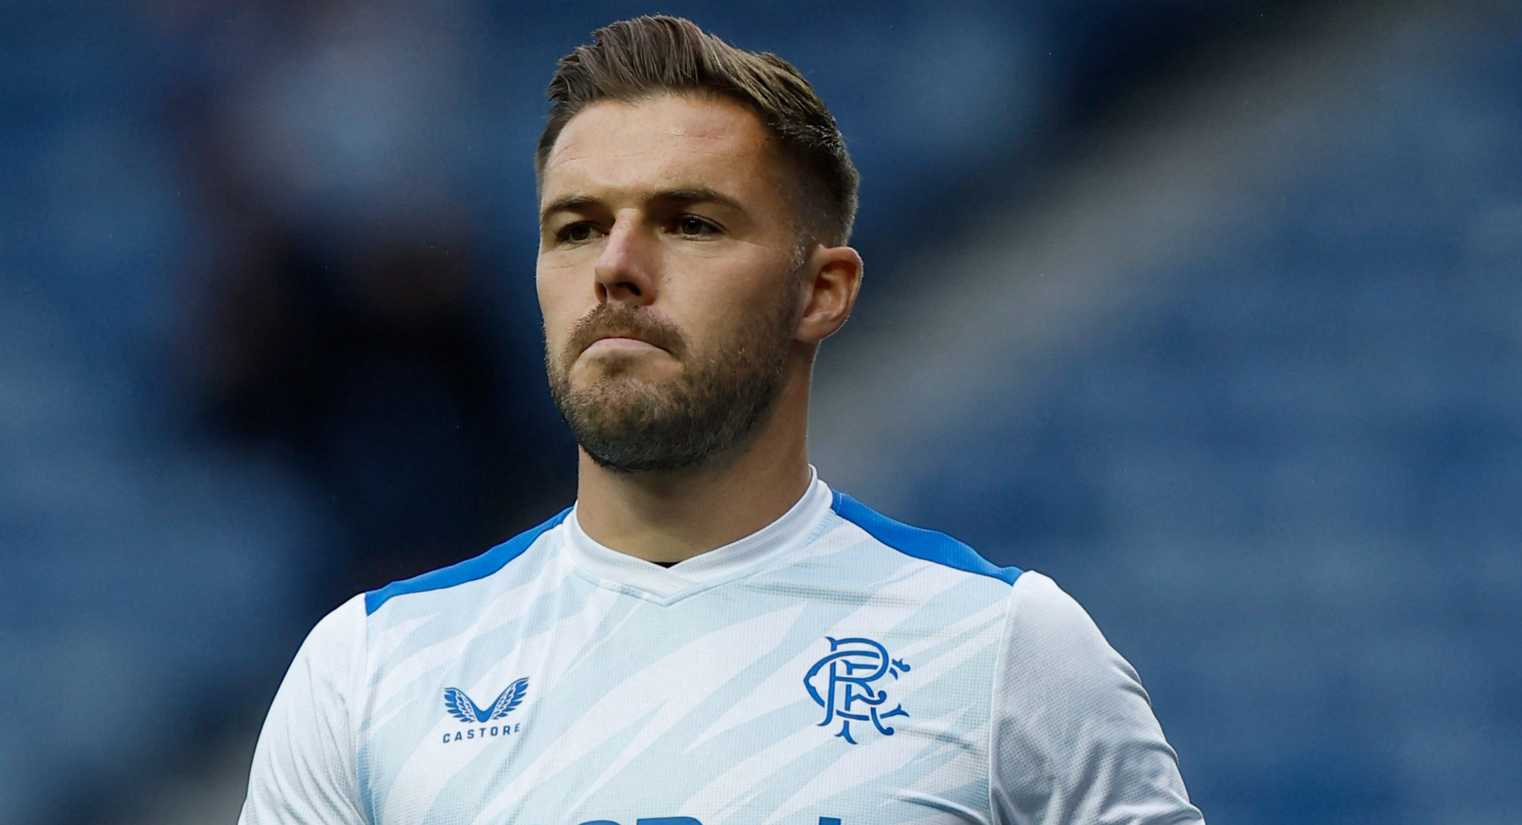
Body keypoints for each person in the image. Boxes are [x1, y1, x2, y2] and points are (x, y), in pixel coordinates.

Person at [239, 15, 1204, 825]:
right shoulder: (368, 673)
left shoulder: (1009, 653)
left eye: (690, 223)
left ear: (820, 291)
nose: (616, 265)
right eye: (575, 228)